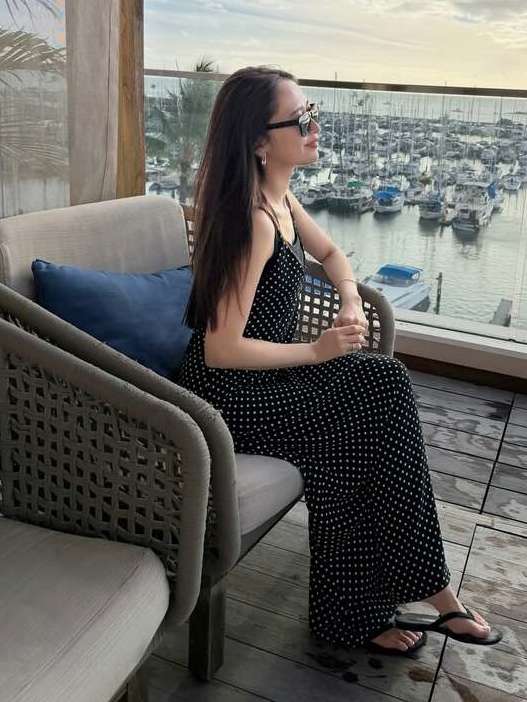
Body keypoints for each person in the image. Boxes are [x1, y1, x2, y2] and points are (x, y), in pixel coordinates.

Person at [179, 65, 501, 655]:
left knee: (372, 406)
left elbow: (332, 255)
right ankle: (428, 594)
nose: (315, 127)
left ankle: (365, 609)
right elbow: (220, 350)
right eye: (300, 119)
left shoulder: (281, 199)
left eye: (312, 113)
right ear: (259, 142)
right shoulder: (252, 222)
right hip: (229, 398)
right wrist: (316, 349)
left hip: (274, 378)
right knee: (377, 394)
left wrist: (350, 301)